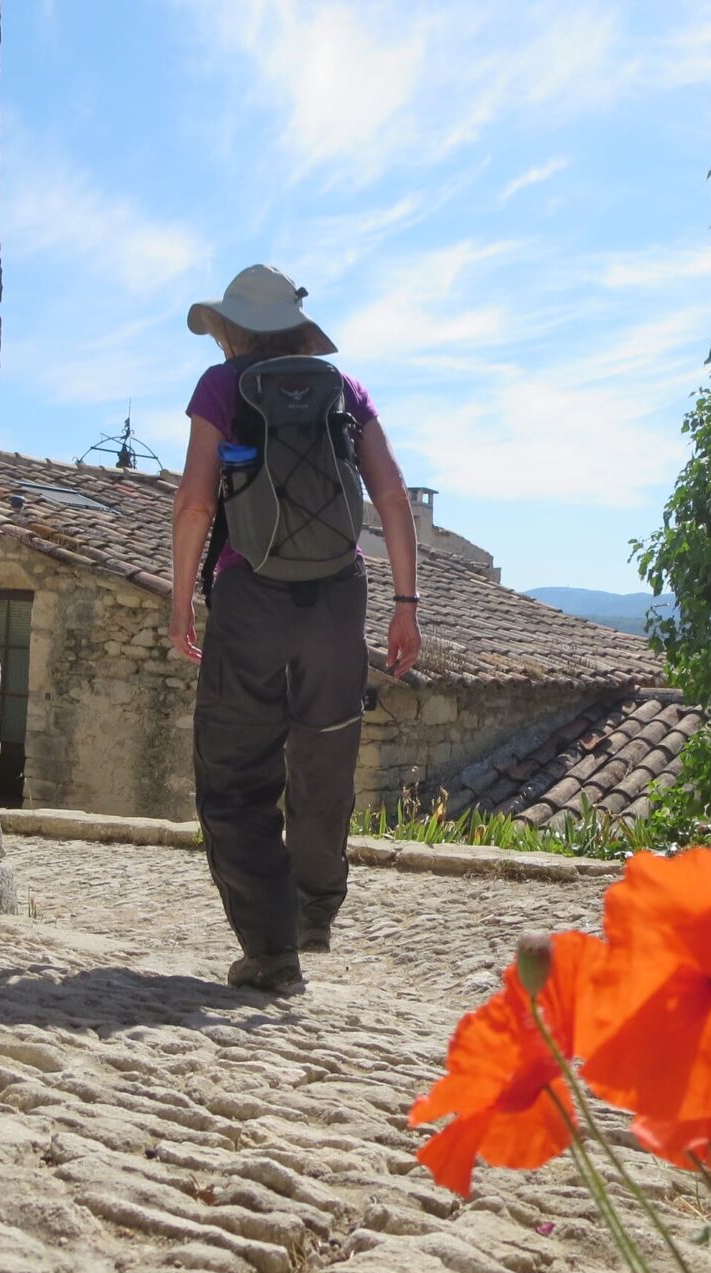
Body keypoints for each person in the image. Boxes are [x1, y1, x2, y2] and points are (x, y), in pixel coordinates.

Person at [170, 264, 422, 992]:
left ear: (230, 330)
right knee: (325, 756)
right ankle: (315, 913)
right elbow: (394, 496)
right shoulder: (343, 391)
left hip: (249, 596)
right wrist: (406, 606)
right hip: (338, 597)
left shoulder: (222, 388)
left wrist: (181, 600)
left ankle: (272, 952)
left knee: (234, 774)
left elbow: (195, 505)